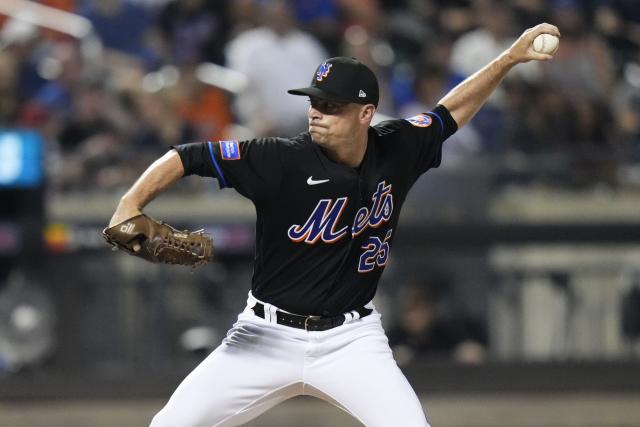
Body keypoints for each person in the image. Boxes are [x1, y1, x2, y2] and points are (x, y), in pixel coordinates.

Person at [108, 23, 560, 427]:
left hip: (352, 341)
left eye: (330, 105)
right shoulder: (281, 158)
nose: (315, 112)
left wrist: (509, 58)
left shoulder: (397, 147)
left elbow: (450, 113)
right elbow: (186, 156)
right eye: (313, 102)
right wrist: (130, 203)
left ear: (365, 114)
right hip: (264, 335)